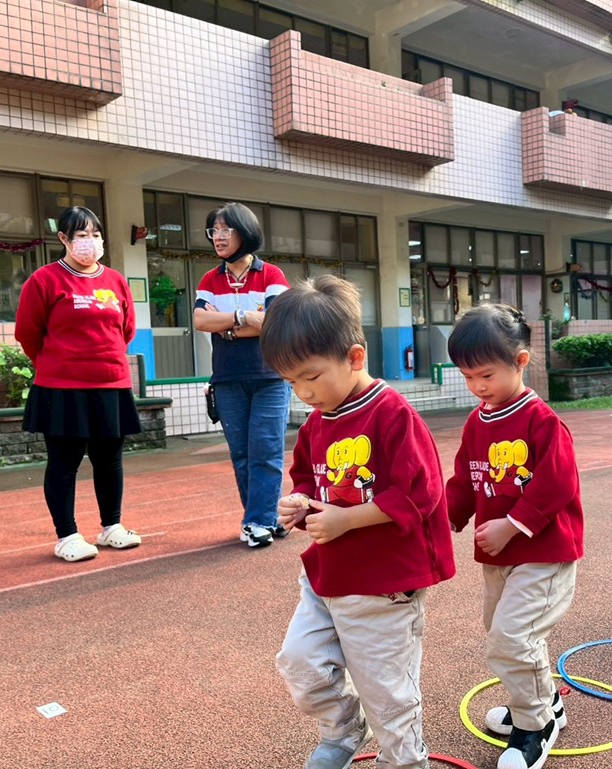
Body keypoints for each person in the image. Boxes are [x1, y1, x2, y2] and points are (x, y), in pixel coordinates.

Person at [261, 276, 455, 769]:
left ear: (354, 357)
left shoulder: (392, 414)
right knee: (300, 662)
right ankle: (344, 728)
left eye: (310, 376)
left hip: (384, 583)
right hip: (328, 575)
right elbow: (308, 481)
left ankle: (405, 760)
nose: (303, 392)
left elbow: (421, 493)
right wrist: (299, 504)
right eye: (290, 383)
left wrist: (348, 520)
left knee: (387, 691)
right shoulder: (317, 421)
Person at [446, 304, 584, 769]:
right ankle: (545, 701)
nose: (476, 386)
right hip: (499, 557)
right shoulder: (477, 421)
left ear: (520, 361)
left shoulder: (541, 420)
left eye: (485, 375)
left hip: (543, 553)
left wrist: (512, 524)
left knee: (512, 637)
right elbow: (465, 480)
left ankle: (535, 724)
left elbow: (558, 483)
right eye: (467, 376)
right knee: (503, 632)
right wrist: (445, 518)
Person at [15, 206, 142, 562]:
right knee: (64, 461)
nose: (90, 242)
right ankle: (67, 535)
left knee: (109, 460)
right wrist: (56, 364)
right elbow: (28, 333)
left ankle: (111, 526)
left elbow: (126, 329)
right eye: (81, 235)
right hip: (62, 387)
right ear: (64, 239)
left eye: (95, 235)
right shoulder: (44, 280)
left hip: (111, 383)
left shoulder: (115, 281)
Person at [193, 202, 290, 549]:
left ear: (245, 233)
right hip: (227, 378)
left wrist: (225, 325)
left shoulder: (272, 275)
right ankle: (265, 517)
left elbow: (273, 323)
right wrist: (244, 317)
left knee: (266, 449)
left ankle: (257, 521)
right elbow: (200, 321)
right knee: (241, 454)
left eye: (225, 230)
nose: (218, 237)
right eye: (214, 231)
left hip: (270, 376)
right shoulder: (210, 279)